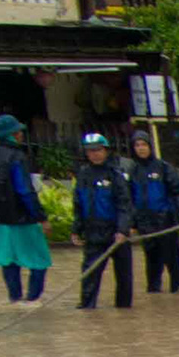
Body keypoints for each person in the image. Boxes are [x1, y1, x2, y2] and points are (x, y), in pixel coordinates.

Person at [0, 113, 51, 302]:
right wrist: (40, 216)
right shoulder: (17, 157)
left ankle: (14, 298)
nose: (21, 134)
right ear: (12, 134)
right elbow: (24, 190)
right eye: (18, 132)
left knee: (9, 261)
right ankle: (33, 299)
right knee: (39, 260)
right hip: (22, 219)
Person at [123, 128, 179, 293]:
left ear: (150, 146)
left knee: (172, 259)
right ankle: (153, 290)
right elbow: (128, 200)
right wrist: (131, 224)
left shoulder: (163, 168)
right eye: (137, 145)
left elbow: (178, 191)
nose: (141, 148)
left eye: (144, 144)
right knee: (152, 261)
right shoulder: (132, 172)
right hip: (145, 223)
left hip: (165, 221)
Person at [71, 130, 134, 310]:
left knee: (124, 275)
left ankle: (124, 309)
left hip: (115, 233)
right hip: (93, 233)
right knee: (90, 272)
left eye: (98, 150)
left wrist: (123, 230)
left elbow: (125, 204)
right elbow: (78, 204)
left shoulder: (115, 175)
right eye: (90, 151)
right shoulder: (83, 175)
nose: (95, 154)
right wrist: (76, 229)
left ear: (106, 150)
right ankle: (87, 306)